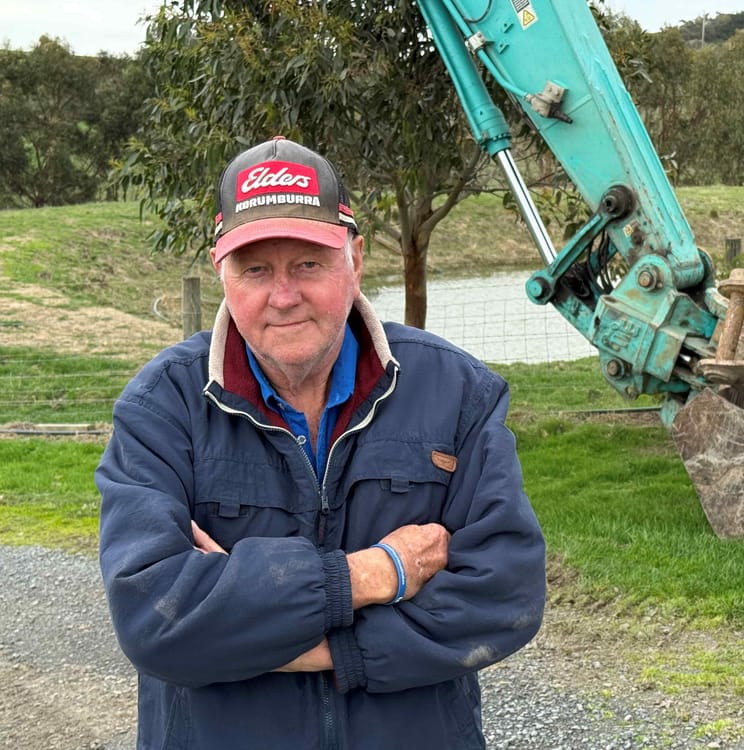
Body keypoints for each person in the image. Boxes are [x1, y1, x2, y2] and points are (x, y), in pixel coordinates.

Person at [96, 136, 547, 749]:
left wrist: (286, 636)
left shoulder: (455, 390)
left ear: (354, 259)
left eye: (309, 263)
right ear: (221, 271)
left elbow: (505, 593)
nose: (283, 296)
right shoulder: (163, 405)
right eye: (255, 269)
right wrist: (374, 573)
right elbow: (154, 618)